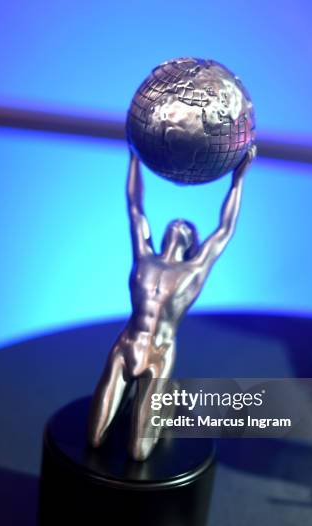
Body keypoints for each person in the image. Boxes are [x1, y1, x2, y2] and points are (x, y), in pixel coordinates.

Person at [88, 144, 256, 460]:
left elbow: (224, 230)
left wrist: (238, 180)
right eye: (175, 221)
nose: (179, 222)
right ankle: (150, 402)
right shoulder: (144, 257)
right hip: (125, 345)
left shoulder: (193, 271)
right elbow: (135, 207)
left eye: (186, 225)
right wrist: (135, 156)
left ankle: (171, 399)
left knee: (139, 453)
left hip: (159, 354)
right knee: (94, 439)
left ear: (192, 241)